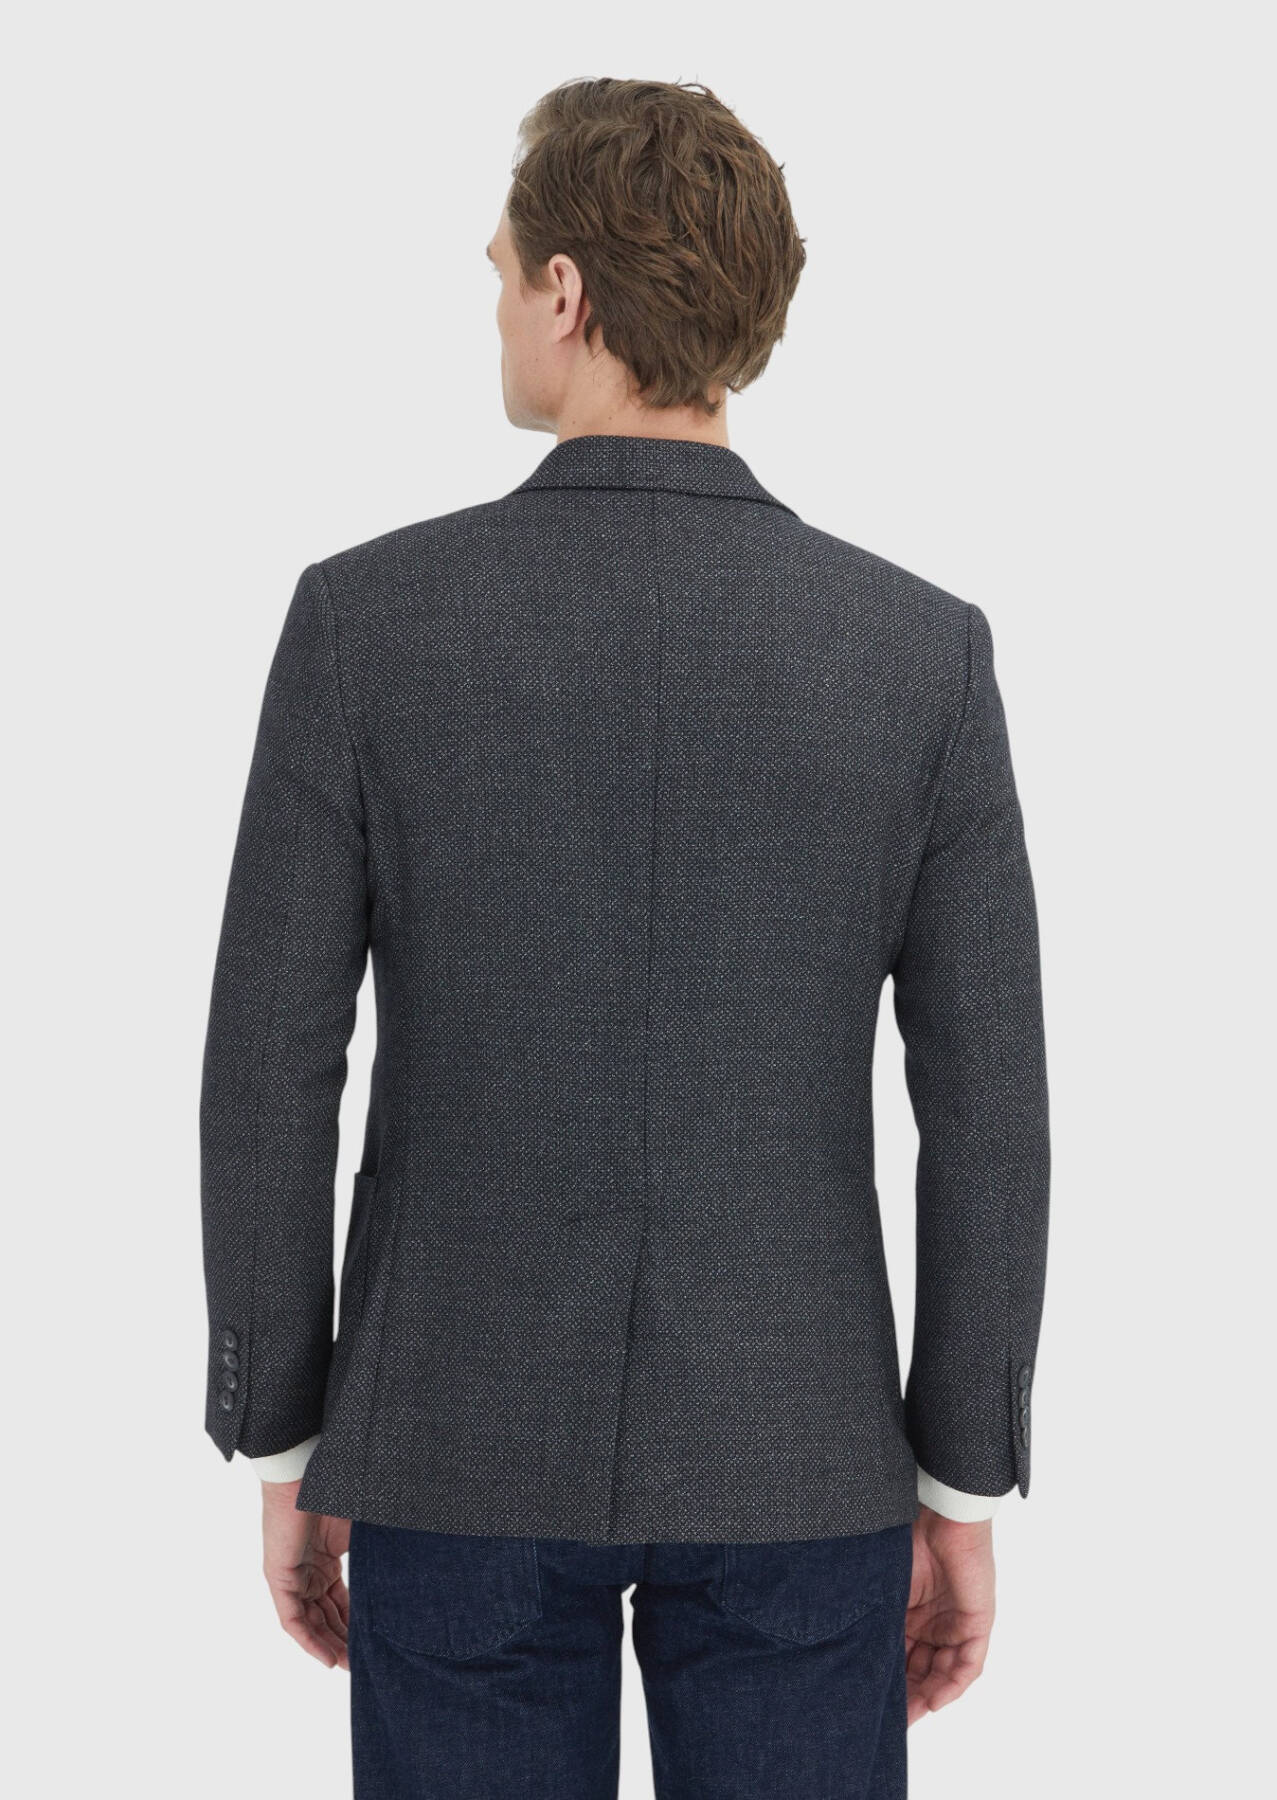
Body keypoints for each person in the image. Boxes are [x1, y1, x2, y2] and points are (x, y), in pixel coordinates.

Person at [199, 76, 1049, 1800]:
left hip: (448, 1444)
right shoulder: (916, 655)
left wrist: (284, 1435)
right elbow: (990, 1114)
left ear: (567, 292)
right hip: (800, 1454)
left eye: (501, 270)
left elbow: (271, 1069)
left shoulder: (366, 624)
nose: (496, 301)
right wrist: (958, 1482)